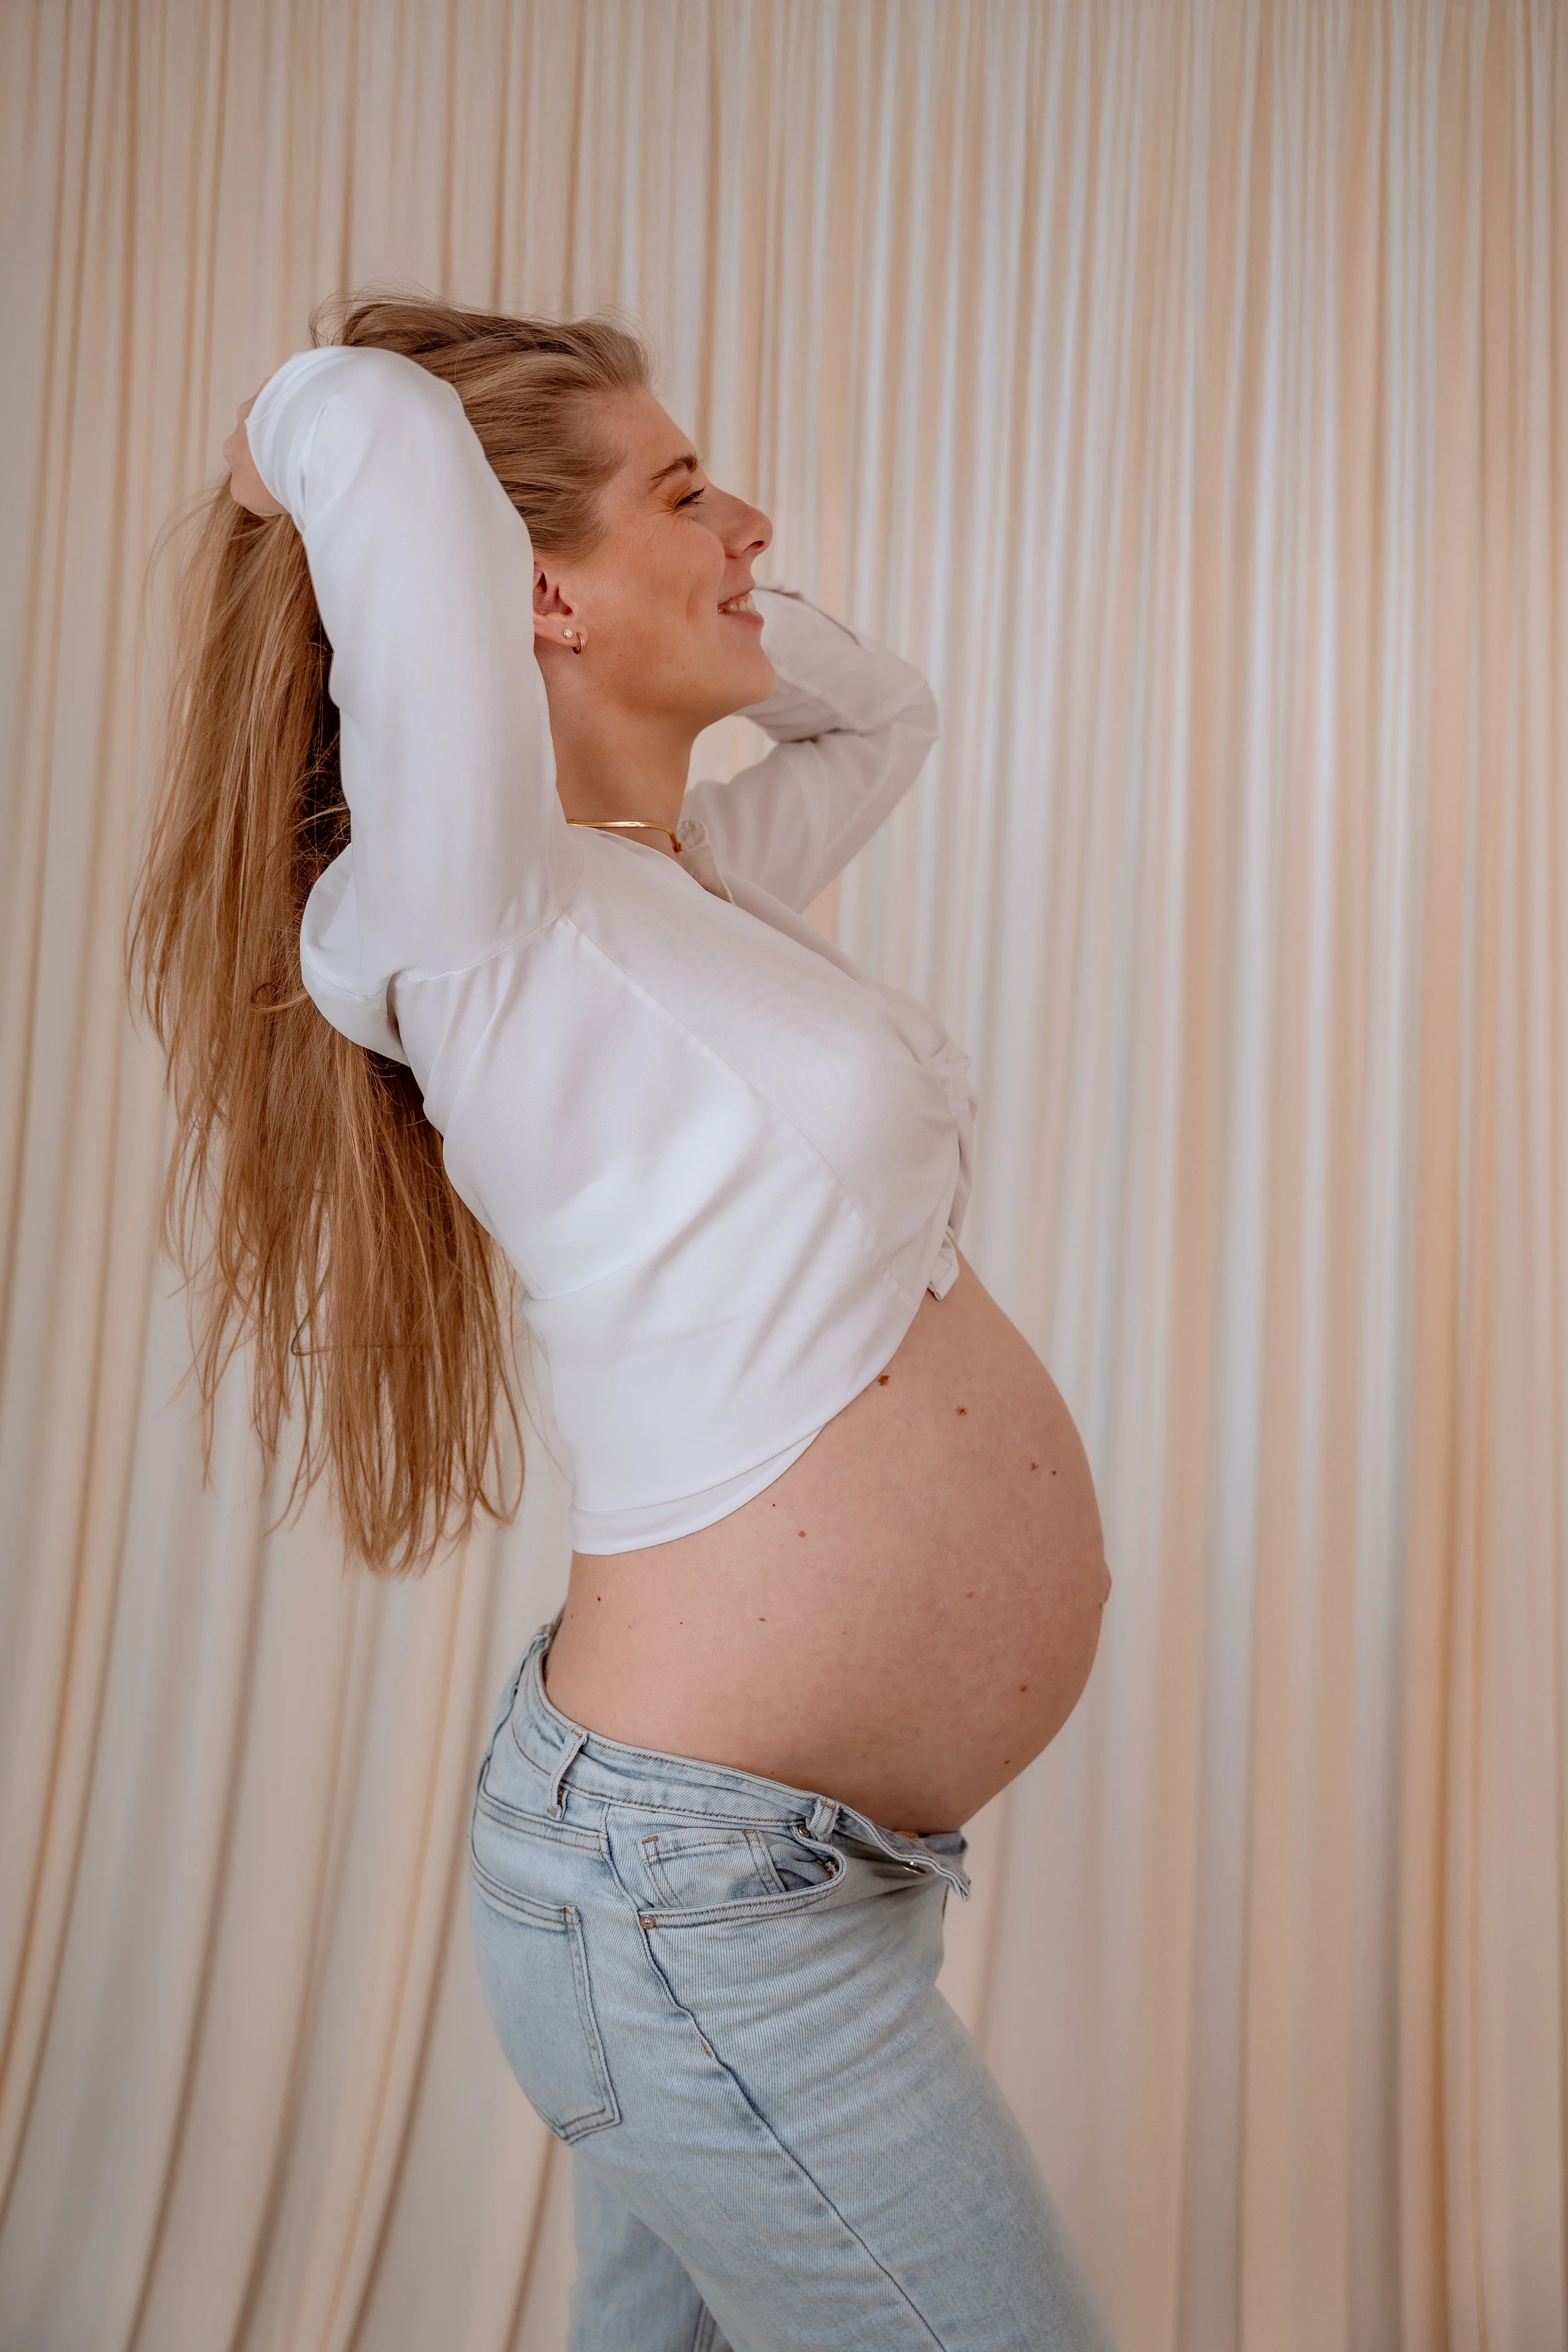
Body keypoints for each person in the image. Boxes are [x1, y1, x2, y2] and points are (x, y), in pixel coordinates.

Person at [132, 295, 1116, 2350]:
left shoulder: (662, 888)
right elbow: (386, 432)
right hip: (697, 1906)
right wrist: (285, 426)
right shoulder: (469, 913)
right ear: (532, 590)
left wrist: (691, 576)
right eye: (688, 491)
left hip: (767, 1877)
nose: (748, 522)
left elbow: (885, 715)